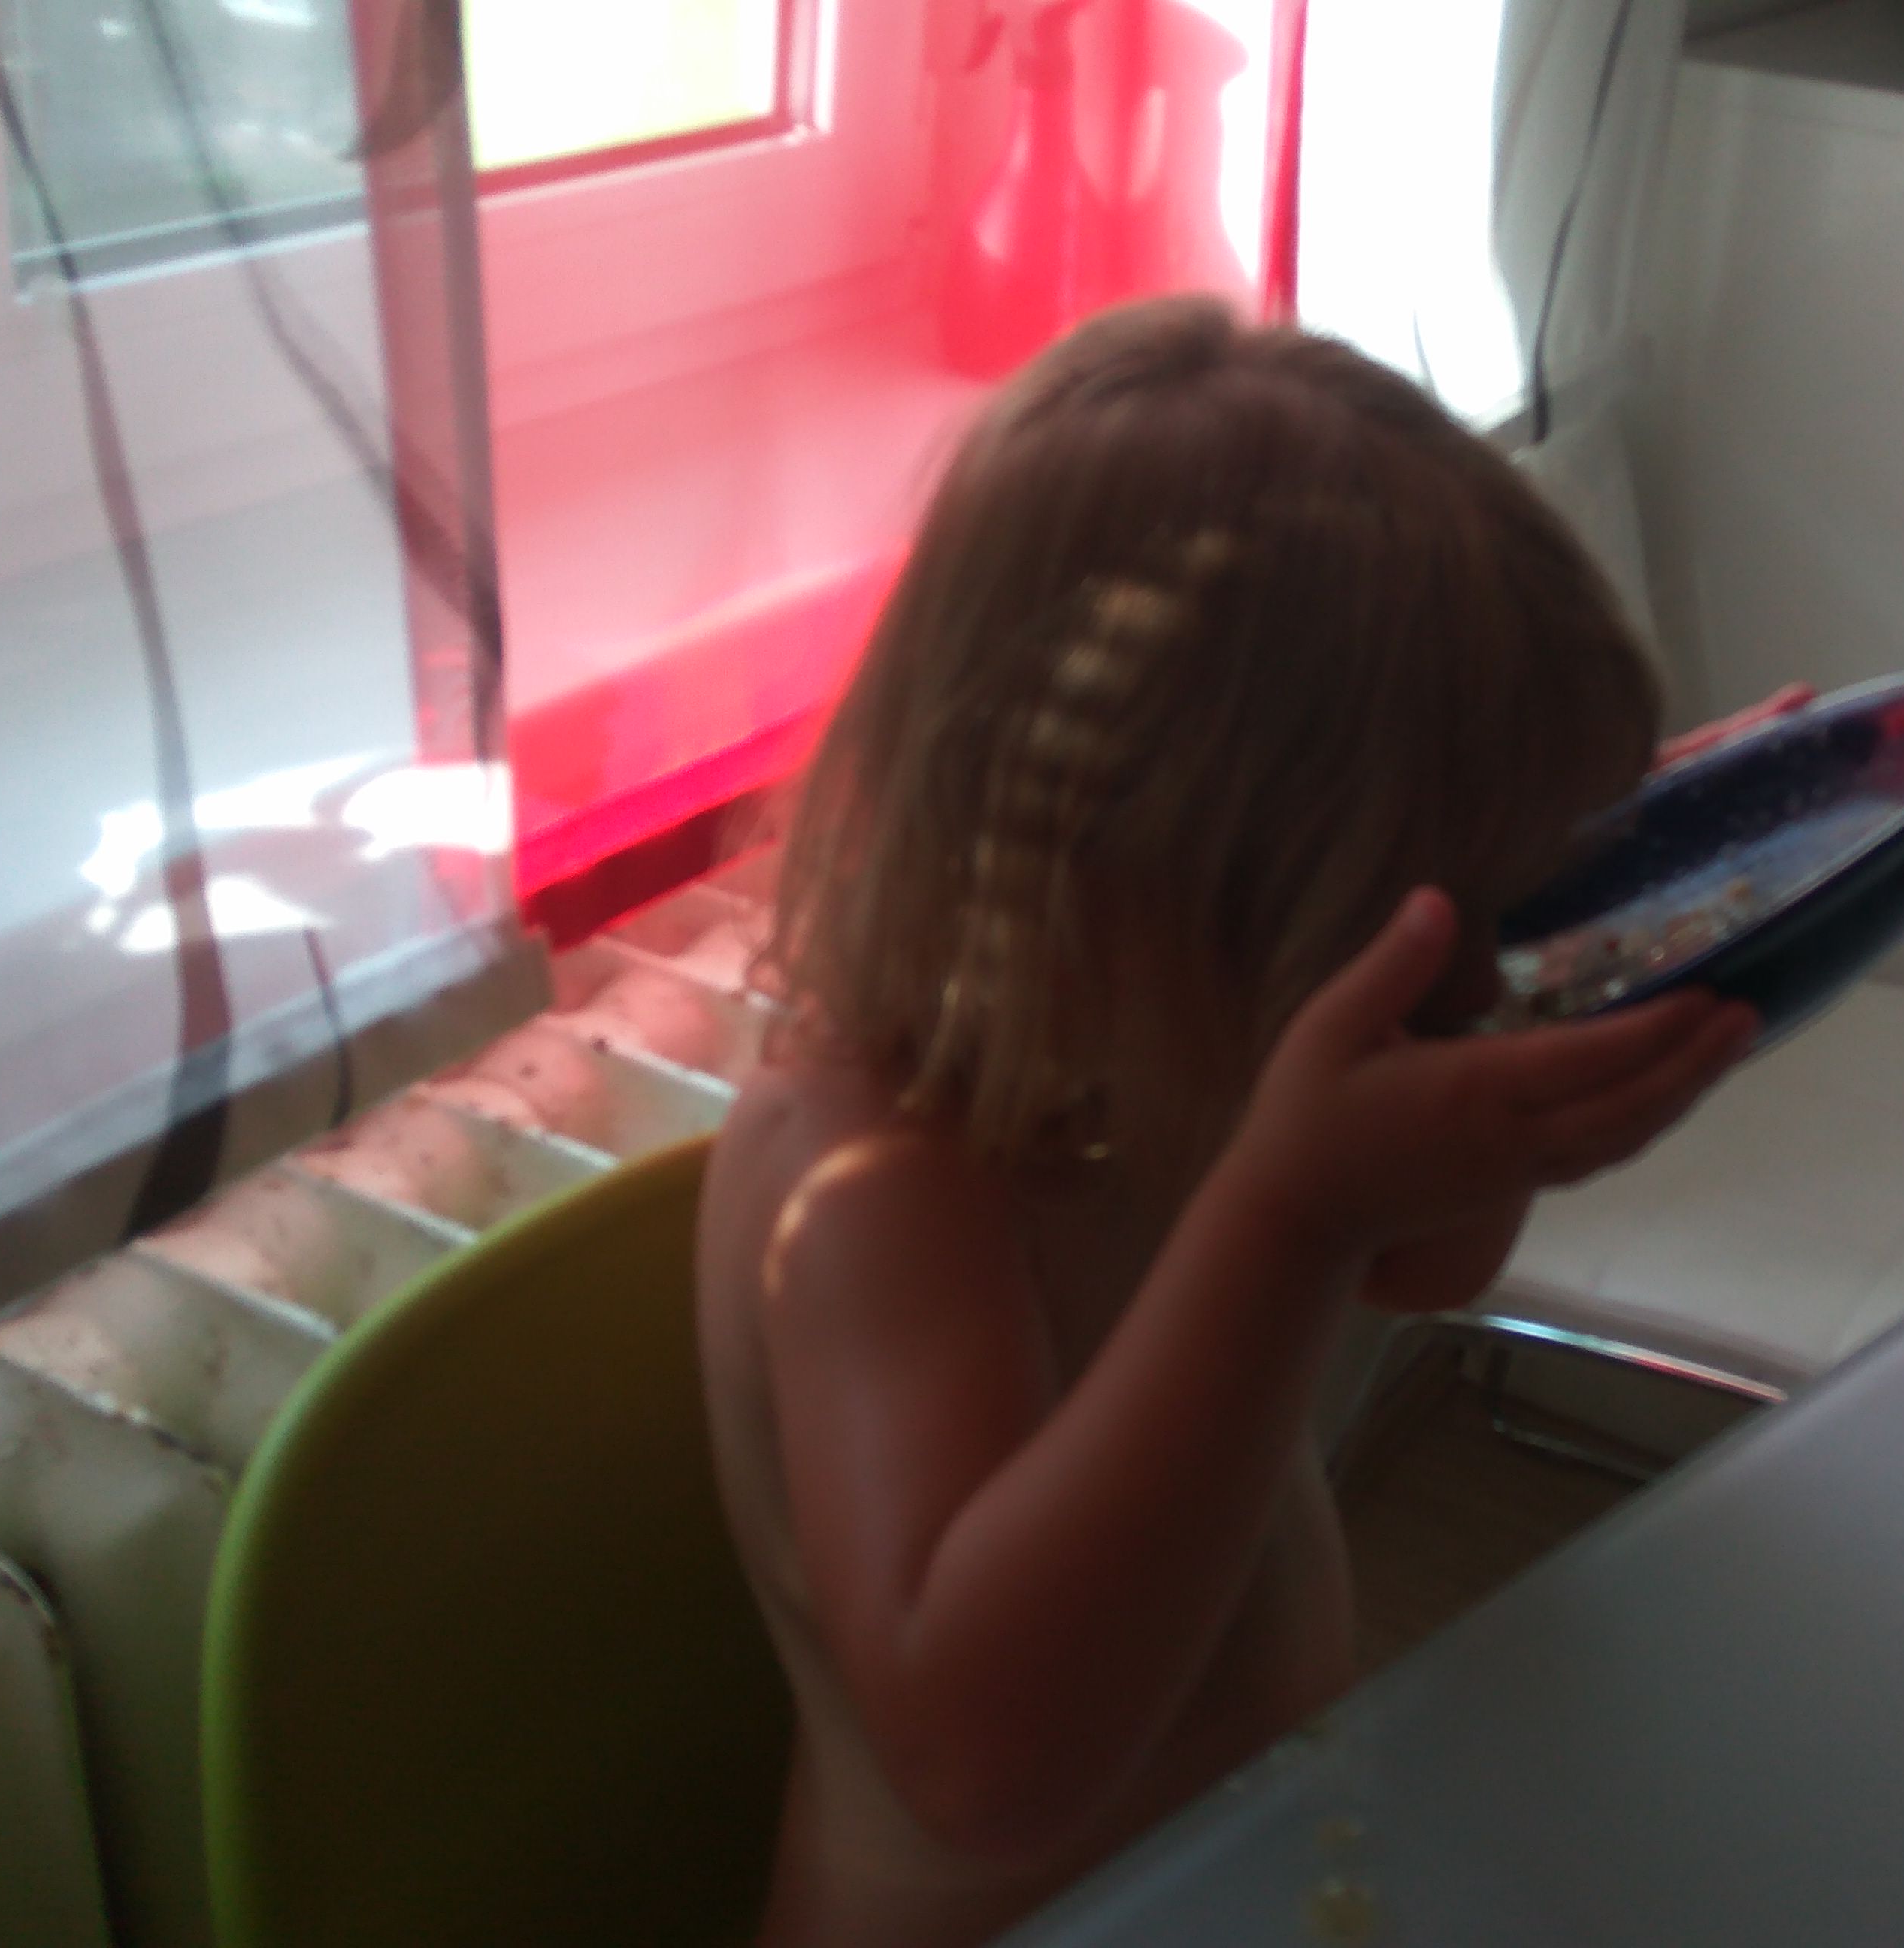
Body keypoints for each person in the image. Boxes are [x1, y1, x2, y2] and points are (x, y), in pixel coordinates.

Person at [697, 295, 1762, 1947]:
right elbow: (990, 1768)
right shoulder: (868, 1186)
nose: (1469, 983)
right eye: (1432, 932)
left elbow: (1425, 1257)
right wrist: (1287, 1217)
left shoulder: (1170, 1049)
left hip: (1247, 1879)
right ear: (1152, 891)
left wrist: (1595, 945)